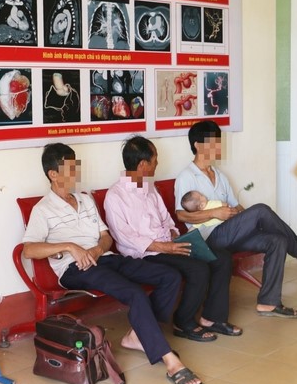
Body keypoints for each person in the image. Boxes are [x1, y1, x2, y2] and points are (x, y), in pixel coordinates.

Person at [23, 143, 204, 384]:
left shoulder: (85, 200)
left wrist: (98, 249)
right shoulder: (43, 209)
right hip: (76, 269)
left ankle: (138, 335)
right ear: (53, 174)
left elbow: (106, 237)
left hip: (105, 258)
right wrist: (70, 247)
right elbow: (29, 249)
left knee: (169, 276)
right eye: (69, 168)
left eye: (76, 167)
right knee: (134, 293)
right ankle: (171, 362)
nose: (76, 173)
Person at [175, 120, 297, 319]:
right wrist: (214, 213)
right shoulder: (187, 176)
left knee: (277, 240)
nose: (218, 146)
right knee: (261, 210)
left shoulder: (220, 176)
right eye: (213, 142)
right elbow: (181, 215)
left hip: (229, 233)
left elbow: (237, 206)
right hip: (208, 238)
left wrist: (243, 218)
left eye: (218, 142)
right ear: (198, 145)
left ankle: (269, 302)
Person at [104, 136, 243, 344]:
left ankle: (213, 318)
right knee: (198, 269)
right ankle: (183, 322)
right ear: (142, 165)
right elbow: (125, 237)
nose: (157, 163)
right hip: (147, 253)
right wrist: (165, 247)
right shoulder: (115, 196)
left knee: (221, 258)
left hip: (168, 245)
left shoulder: (150, 188)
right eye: (154, 159)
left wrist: (176, 236)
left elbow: (166, 219)